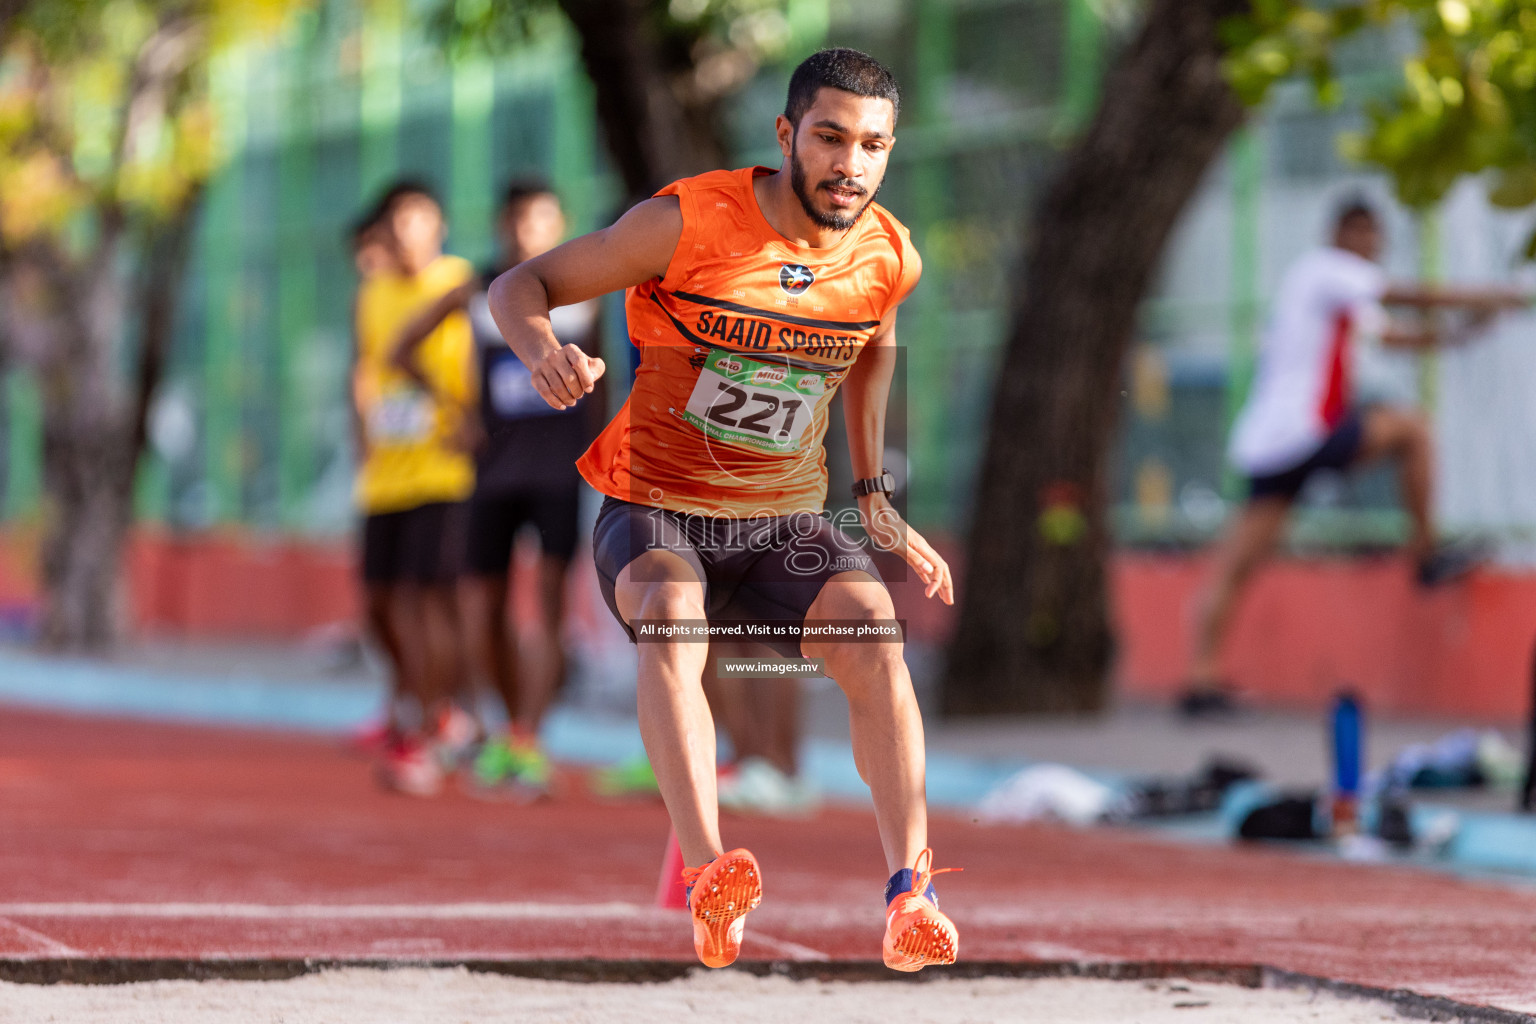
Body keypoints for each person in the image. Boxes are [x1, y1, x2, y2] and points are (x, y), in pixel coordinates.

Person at [487, 48, 959, 972]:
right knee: (669, 616)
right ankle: (710, 874)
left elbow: (870, 362)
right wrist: (542, 350)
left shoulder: (887, 256)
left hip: (782, 524)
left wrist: (876, 502)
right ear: (787, 136)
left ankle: (911, 892)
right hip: (658, 510)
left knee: (875, 633)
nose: (849, 164)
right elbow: (519, 287)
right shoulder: (687, 221)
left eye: (872, 145)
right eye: (829, 137)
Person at [1182, 199, 1527, 717]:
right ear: (1339, 234)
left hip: (1275, 443)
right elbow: (1411, 295)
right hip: (1304, 434)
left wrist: (1459, 335)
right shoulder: (1324, 271)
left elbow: (1391, 334)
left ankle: (1201, 679)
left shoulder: (1338, 290)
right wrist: (1498, 296)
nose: (1371, 247)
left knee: (1238, 562)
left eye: (1376, 237)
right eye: (1363, 234)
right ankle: (1425, 554)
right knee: (1412, 429)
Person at [394, 182, 603, 797]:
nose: (526, 232)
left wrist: (608, 451)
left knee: (549, 608)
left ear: (559, 224)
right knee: (483, 610)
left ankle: (528, 740)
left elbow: (607, 387)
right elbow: (403, 349)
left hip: (562, 474)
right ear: (498, 225)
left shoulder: (587, 292)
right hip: (492, 473)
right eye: (515, 220)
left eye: (540, 220)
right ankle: (508, 726)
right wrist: (454, 412)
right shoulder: (483, 292)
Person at [352, 181, 479, 792]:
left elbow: (488, 352)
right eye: (395, 218)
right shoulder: (373, 292)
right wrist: (360, 434)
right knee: (380, 606)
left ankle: (433, 726)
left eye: (417, 215)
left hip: (443, 469)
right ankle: (427, 703)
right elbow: (365, 364)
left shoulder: (461, 281)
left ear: (439, 223)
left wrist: (471, 416)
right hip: (385, 474)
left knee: (431, 603)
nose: (405, 228)